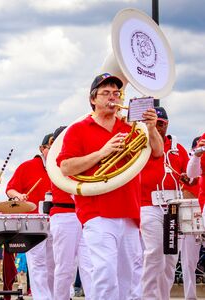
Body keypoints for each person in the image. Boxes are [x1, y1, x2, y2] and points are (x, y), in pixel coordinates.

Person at [56, 73, 163, 299]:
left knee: (131, 277)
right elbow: (65, 167)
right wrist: (102, 153)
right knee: (105, 273)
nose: (113, 98)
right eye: (106, 93)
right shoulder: (78, 129)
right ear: (93, 99)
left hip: (130, 210)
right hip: (97, 211)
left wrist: (152, 128)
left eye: (116, 93)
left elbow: (157, 152)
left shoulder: (131, 127)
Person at [139, 106, 191, 299]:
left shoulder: (178, 149)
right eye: (154, 123)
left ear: (167, 124)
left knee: (170, 257)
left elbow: (190, 177)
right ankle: (148, 296)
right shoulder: (141, 146)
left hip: (173, 208)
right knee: (154, 252)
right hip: (148, 205)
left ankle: (163, 296)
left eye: (161, 124)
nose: (157, 127)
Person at [5, 133, 55, 300]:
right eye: (50, 147)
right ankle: (42, 297)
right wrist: (18, 195)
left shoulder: (61, 166)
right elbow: (10, 189)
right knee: (37, 263)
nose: (54, 150)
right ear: (42, 149)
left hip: (56, 220)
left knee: (55, 264)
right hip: (33, 221)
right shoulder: (27, 166)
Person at [49, 126, 92, 300]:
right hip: (64, 214)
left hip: (84, 215)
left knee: (90, 267)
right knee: (65, 268)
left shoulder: (78, 158)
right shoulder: (56, 161)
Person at [180, 136, 201, 300]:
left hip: (199, 212)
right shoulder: (192, 171)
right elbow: (187, 194)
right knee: (188, 261)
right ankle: (190, 296)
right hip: (193, 216)